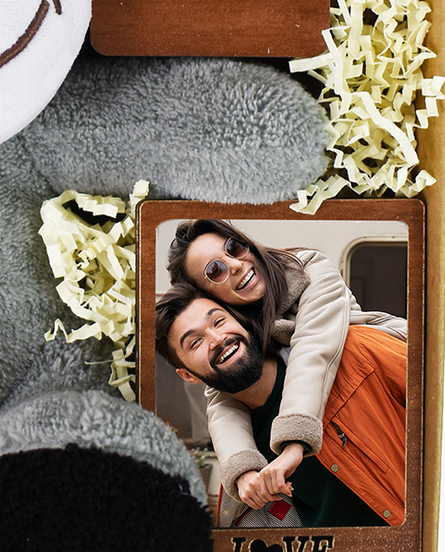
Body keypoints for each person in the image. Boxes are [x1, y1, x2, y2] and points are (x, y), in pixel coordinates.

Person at [165, 219, 406, 517]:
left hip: (385, 359)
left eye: (234, 247)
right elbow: (220, 400)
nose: (236, 265)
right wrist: (242, 469)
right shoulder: (239, 331)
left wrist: (294, 444)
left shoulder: (308, 270)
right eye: (216, 270)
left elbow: (313, 350)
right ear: (208, 297)